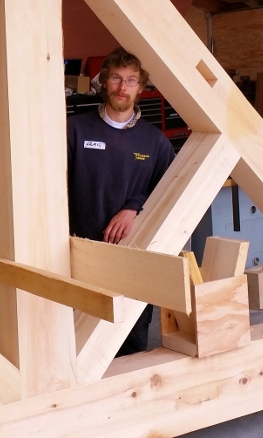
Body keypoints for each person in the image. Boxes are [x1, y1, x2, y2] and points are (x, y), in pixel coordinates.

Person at [67, 47, 176, 355]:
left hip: (135, 251)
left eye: (131, 80)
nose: (122, 87)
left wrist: (133, 206)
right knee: (81, 334)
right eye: (116, 78)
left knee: (131, 335)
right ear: (104, 82)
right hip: (82, 247)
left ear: (141, 87)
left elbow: (169, 191)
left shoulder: (155, 141)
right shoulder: (75, 130)